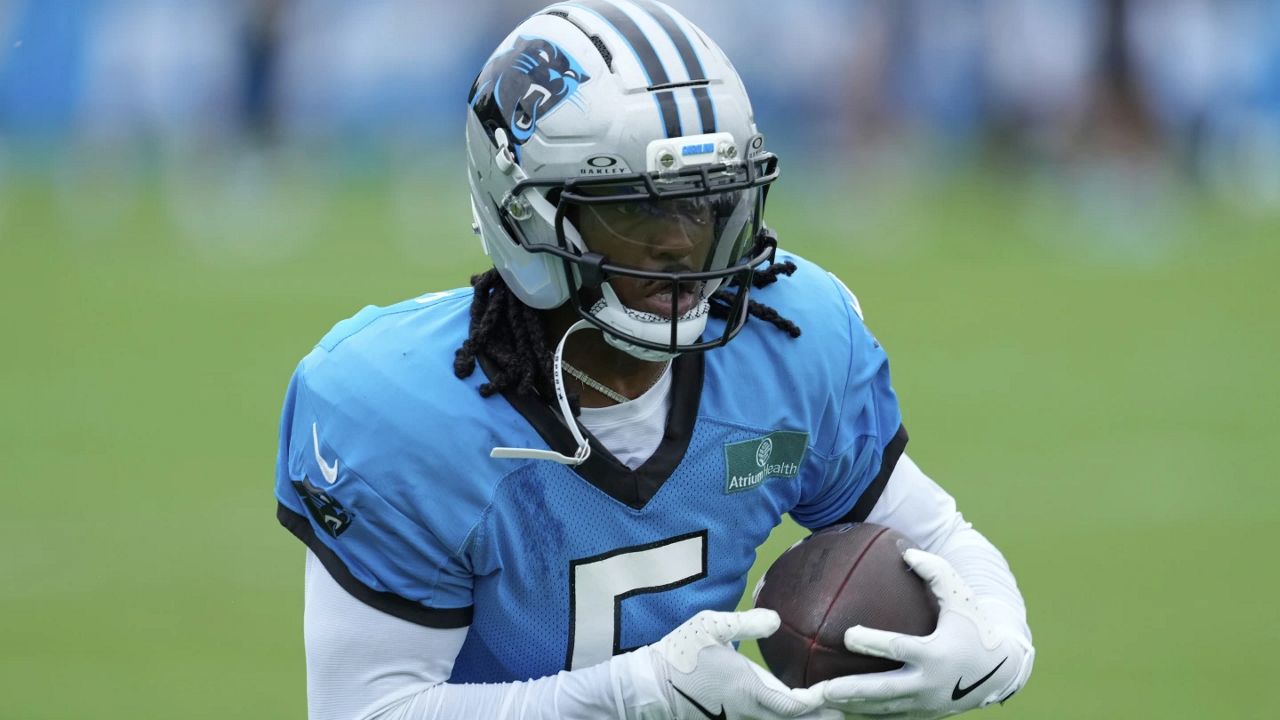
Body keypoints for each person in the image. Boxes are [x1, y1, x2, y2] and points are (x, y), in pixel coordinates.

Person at [273, 2, 1035, 718]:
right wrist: (629, 692)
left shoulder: (791, 341)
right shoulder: (403, 412)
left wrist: (999, 640)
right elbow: (369, 709)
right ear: (524, 214)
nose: (680, 242)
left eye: (707, 202)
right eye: (635, 209)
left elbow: (939, 537)